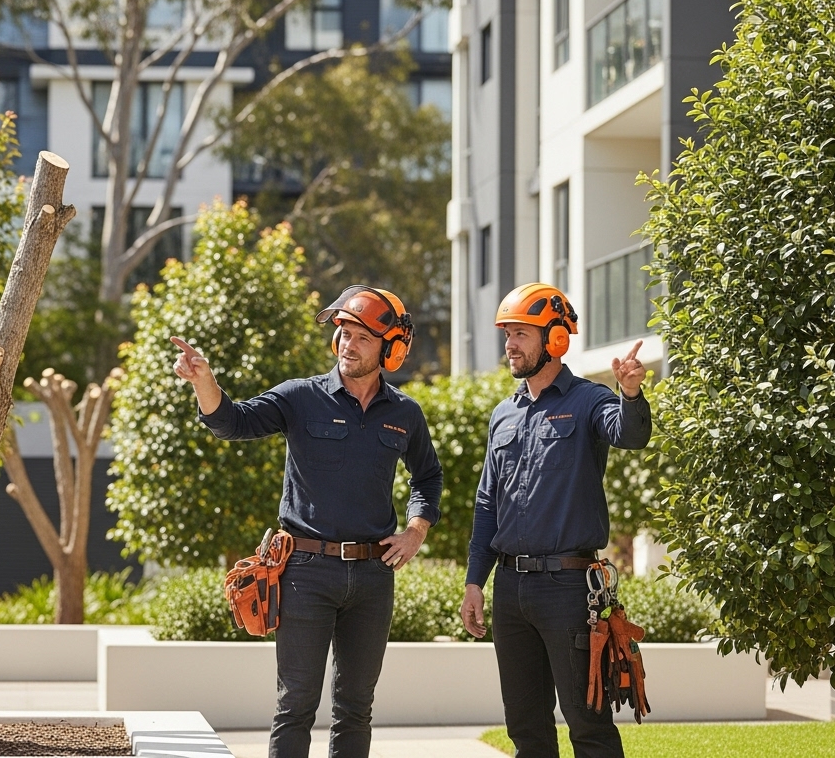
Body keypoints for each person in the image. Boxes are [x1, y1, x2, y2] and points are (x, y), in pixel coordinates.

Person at [172, 285, 443, 758]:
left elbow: (429, 476)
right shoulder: (301, 397)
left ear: (391, 348)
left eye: (361, 336)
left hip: (374, 575)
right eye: (343, 333)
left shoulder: (405, 413)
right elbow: (234, 422)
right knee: (295, 704)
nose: (347, 344)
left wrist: (415, 532)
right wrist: (204, 382)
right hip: (305, 574)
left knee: (356, 707)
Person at [459, 282, 651, 758]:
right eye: (507, 334)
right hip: (510, 590)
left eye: (521, 334)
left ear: (556, 339)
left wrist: (629, 393)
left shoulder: (589, 400)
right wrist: (474, 582)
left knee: (588, 725)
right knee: (525, 728)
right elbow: (487, 503)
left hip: (569, 590)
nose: (510, 345)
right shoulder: (503, 415)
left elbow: (629, 434)